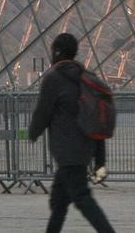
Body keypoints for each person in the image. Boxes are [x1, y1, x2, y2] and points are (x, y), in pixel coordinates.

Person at [28, 33, 114, 233]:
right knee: (59, 201)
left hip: (67, 149)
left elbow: (43, 111)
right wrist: (100, 159)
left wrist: (33, 132)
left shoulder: (54, 78)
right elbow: (95, 116)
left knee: (83, 198)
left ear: (56, 52)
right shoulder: (86, 77)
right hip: (85, 145)